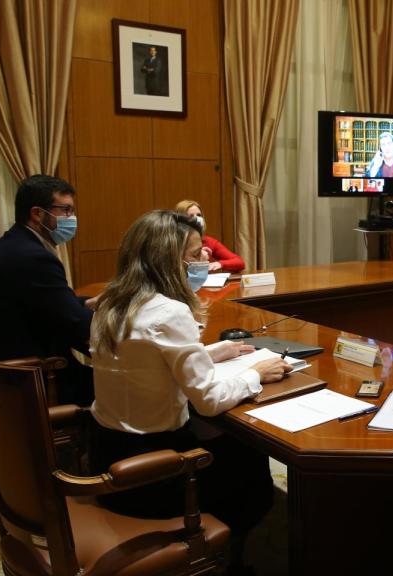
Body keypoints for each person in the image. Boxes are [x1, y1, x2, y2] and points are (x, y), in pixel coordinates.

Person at [89, 210, 290, 569]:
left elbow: (147, 362)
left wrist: (213, 351)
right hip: (155, 475)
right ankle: (235, 558)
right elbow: (210, 400)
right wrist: (256, 373)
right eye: (196, 255)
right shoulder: (169, 311)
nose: (205, 260)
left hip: (107, 455)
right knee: (248, 454)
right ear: (168, 260)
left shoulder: (110, 302)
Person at [0, 174, 94, 406]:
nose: (71, 218)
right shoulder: (34, 257)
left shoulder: (13, 244)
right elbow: (77, 325)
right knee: (125, 387)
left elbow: (47, 303)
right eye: (65, 210)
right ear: (37, 213)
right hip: (25, 381)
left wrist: (85, 303)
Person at [174, 199, 245, 273]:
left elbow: (239, 262)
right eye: (191, 216)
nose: (197, 219)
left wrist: (219, 264)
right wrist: (197, 256)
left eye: (199, 215)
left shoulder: (208, 241)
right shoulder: (172, 242)